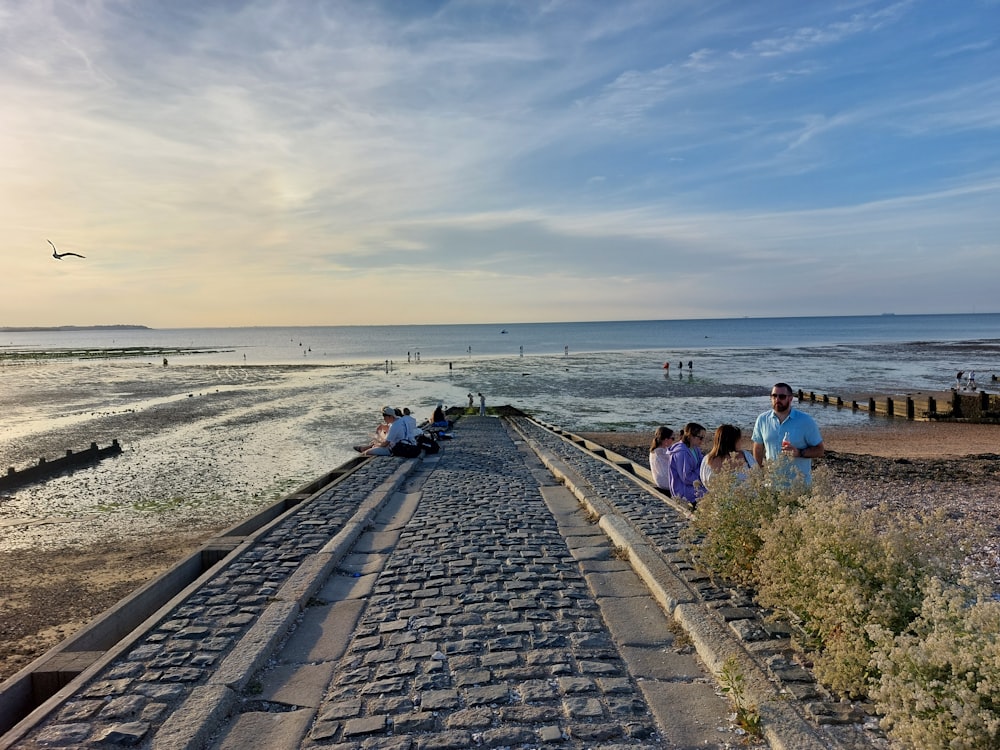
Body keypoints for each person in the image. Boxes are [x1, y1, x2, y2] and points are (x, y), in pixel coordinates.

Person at [751, 382, 824, 485]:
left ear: (790, 398)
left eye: (782, 396)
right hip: (771, 484)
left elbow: (820, 450)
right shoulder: (762, 419)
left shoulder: (805, 421)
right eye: (774, 396)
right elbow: (758, 448)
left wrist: (799, 453)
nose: (777, 399)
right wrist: (757, 474)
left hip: (798, 485)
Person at [667, 422, 707, 507]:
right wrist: (702, 476)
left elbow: (702, 464)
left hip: (693, 485)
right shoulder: (682, 452)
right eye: (700, 438)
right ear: (690, 436)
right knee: (713, 495)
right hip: (683, 490)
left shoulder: (695, 448)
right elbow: (686, 477)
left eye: (703, 438)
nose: (702, 440)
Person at [648, 426, 676, 492]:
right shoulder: (659, 453)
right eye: (672, 438)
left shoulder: (661, 450)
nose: (673, 440)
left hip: (663, 480)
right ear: (666, 439)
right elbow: (667, 472)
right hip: (665, 483)